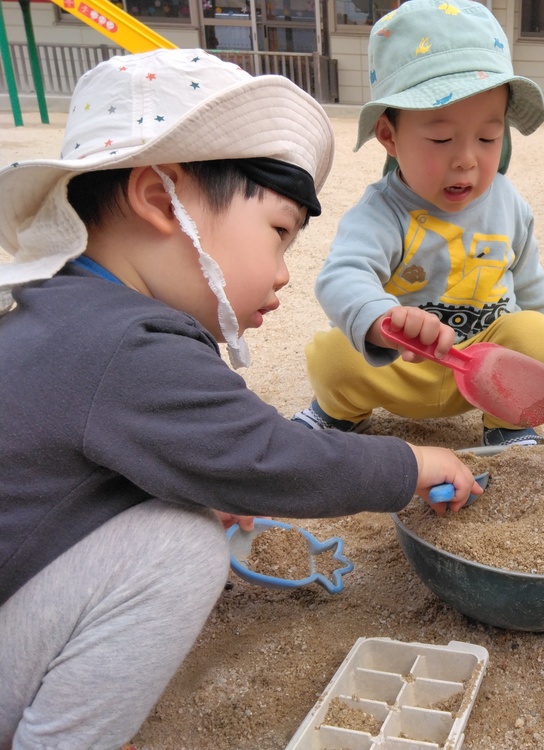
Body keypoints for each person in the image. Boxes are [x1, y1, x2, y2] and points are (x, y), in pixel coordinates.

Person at [0, 48, 482, 749]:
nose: (284, 273)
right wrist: (410, 465)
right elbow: (270, 458)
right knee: (182, 547)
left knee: (182, 507)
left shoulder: (64, 312)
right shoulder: (128, 346)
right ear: (161, 201)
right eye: (279, 233)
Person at [292, 0, 544, 448]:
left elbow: (532, 286)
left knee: (535, 333)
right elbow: (342, 275)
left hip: (484, 368)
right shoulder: (382, 210)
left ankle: (508, 423)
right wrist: (381, 320)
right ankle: (340, 414)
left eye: (488, 137)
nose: (466, 159)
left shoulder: (509, 202)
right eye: (441, 138)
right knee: (334, 356)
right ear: (389, 135)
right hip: (401, 363)